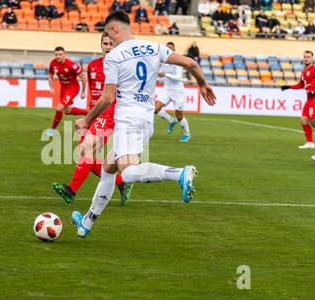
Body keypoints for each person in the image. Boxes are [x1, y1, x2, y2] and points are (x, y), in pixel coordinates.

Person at [72, 10, 216, 238]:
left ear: (115, 29)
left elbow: (108, 98)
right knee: (108, 168)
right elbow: (190, 63)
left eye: (108, 33)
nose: (109, 39)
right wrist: (203, 85)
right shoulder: (154, 47)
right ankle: (87, 222)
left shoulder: (114, 56)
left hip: (127, 120)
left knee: (127, 173)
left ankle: (178, 173)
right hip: (146, 119)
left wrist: (86, 119)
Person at [52, 34, 133, 206]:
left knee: (86, 147)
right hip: (96, 114)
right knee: (86, 154)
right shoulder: (93, 66)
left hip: (110, 114)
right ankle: (121, 182)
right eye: (105, 43)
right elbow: (93, 94)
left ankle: (71, 191)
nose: (108, 46)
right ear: (101, 45)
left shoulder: (122, 66)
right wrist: (88, 117)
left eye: (111, 43)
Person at [281, 51, 315, 150]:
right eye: (305, 57)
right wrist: (289, 87)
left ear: (312, 59)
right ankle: (310, 143)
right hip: (309, 99)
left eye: (308, 57)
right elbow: (300, 85)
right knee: (304, 120)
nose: (306, 58)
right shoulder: (303, 72)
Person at [46, 47, 88, 137]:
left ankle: (52, 129)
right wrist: (51, 87)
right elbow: (50, 76)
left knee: (59, 108)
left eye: (60, 54)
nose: (58, 56)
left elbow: (84, 78)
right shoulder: (53, 63)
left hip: (73, 88)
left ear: (64, 54)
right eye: (56, 54)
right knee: (67, 111)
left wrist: (83, 92)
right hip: (64, 88)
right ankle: (88, 113)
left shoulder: (71, 65)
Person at [155, 42, 190, 142]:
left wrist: (165, 74)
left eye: (171, 48)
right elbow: (158, 74)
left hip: (177, 91)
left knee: (179, 115)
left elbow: (178, 77)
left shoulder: (177, 61)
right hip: (166, 89)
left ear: (174, 50)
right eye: (167, 48)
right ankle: (171, 121)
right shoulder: (162, 61)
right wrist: (157, 78)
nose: (169, 50)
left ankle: (187, 133)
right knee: (155, 108)